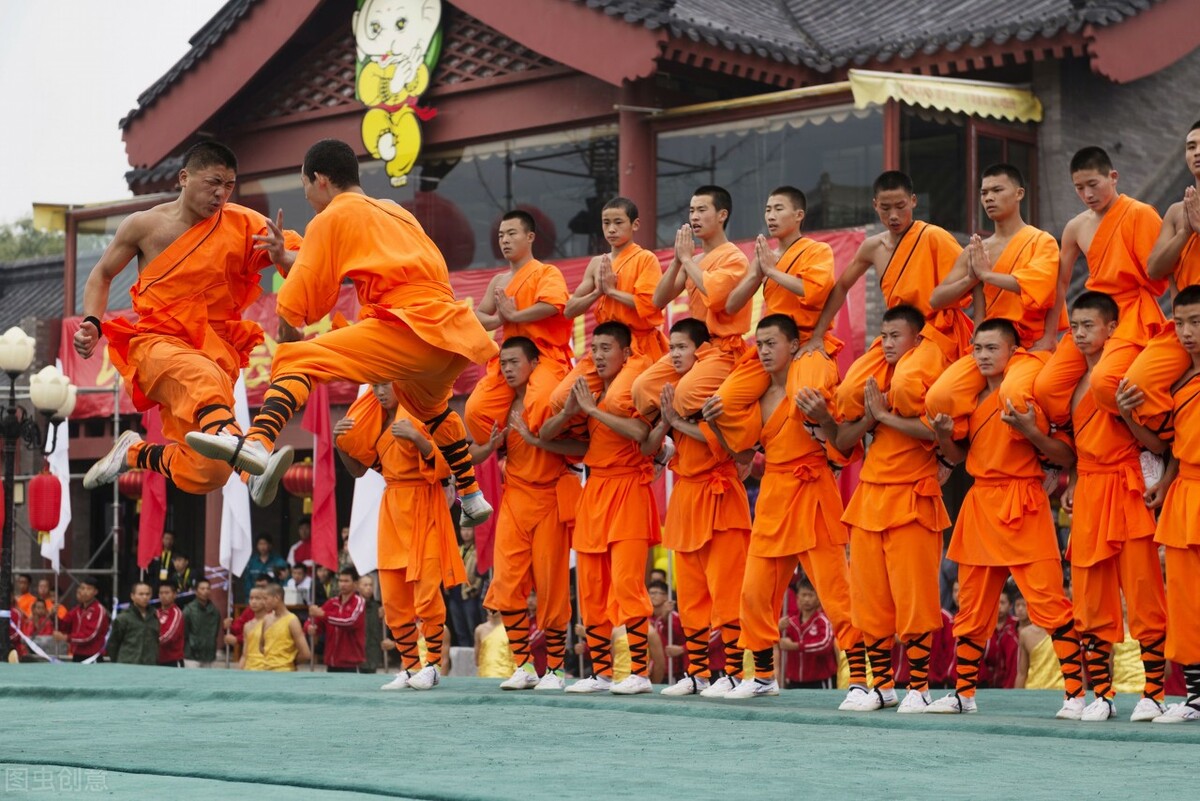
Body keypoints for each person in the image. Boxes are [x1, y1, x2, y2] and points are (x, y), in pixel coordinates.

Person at [186, 138, 497, 525]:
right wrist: (286, 257)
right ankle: (471, 494)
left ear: (319, 179)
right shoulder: (396, 212)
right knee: (431, 409)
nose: (307, 197)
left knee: (294, 357)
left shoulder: (330, 218)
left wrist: (288, 330)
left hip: (409, 326)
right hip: (449, 335)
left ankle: (258, 444)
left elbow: (303, 302)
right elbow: (343, 259)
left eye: (304, 186)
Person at [75, 141, 301, 499]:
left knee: (208, 471)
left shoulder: (243, 224)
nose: (221, 194)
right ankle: (248, 464)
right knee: (199, 374)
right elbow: (101, 274)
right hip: (157, 346)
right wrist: (92, 321)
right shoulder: (143, 226)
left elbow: (302, 262)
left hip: (214, 352)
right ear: (184, 177)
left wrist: (282, 257)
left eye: (229, 185)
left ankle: (132, 452)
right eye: (213, 182)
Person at [924, 318, 1085, 717]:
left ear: (1014, 352)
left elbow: (1066, 456)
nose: (982, 356)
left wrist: (1030, 430)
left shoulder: (1027, 394)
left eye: (991, 349)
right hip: (980, 504)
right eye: (977, 348)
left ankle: (1079, 694)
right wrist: (944, 435)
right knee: (973, 608)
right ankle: (963, 694)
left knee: (1048, 603)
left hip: (1023, 502)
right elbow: (960, 458)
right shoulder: (970, 398)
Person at [705, 314, 868, 702]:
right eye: (758, 344)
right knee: (754, 594)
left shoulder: (810, 386)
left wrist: (823, 416)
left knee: (837, 594)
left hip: (813, 491)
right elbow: (744, 453)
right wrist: (717, 427)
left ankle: (864, 681)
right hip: (774, 496)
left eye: (771, 343)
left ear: (794, 345)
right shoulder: (756, 394)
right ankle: (761, 675)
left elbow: (843, 446)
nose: (762, 351)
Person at [801, 304, 951, 712]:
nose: (887, 344)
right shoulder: (872, 380)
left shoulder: (927, 379)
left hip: (912, 498)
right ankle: (880, 685)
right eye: (883, 336)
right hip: (870, 498)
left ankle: (918, 687)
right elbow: (845, 441)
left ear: (917, 340)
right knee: (870, 602)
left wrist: (885, 414)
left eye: (895, 336)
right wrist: (862, 417)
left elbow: (937, 432)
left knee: (915, 600)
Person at [1040, 292, 1169, 721]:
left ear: (1112, 329)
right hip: (1091, 491)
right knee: (1090, 598)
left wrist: (1130, 416)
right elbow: (1077, 450)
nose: (1079, 334)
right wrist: (1073, 480)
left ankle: (1154, 693)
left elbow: (1155, 444)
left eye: (1088, 326)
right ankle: (1103, 695)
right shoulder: (1074, 382)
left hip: (1127, 486)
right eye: (1074, 327)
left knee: (1143, 591)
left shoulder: (1123, 379)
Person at [540, 322, 659, 695]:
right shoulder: (592, 390)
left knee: (627, 584)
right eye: (595, 348)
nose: (600, 354)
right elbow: (553, 437)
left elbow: (641, 436)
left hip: (628, 490)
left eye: (607, 347)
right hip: (595, 491)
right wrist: (570, 412)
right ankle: (601, 672)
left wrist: (594, 409)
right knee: (590, 587)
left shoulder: (632, 389)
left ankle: (638, 672)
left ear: (626, 353)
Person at [803, 171, 969, 420]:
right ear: (874, 205)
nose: (893, 216)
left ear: (913, 201)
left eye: (901, 206)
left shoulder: (934, 237)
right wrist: (818, 335)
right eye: (885, 208)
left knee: (906, 387)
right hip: (895, 334)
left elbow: (969, 280)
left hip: (934, 332)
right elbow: (841, 286)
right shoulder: (873, 247)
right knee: (849, 393)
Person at [643, 319, 752, 698]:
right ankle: (698, 673)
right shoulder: (676, 392)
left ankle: (736, 673)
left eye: (682, 347)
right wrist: (664, 422)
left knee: (726, 591)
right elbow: (649, 446)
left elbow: (723, 444)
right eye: (670, 347)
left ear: (701, 351)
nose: (674, 354)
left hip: (720, 496)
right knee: (690, 595)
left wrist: (677, 420)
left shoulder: (718, 388)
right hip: (687, 497)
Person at [334, 381, 466, 691]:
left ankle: (432, 665)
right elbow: (359, 470)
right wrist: (340, 443)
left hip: (425, 506)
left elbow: (448, 469)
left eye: (387, 385)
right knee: (393, 600)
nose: (380, 392)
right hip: (393, 509)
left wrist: (420, 439)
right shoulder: (376, 421)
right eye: (376, 385)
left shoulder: (423, 412)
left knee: (427, 595)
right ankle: (410, 666)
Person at [468, 337, 580, 691]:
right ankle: (524, 665)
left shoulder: (548, 404)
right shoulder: (501, 406)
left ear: (535, 363)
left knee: (551, 588)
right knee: (507, 584)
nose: (508, 369)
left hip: (549, 500)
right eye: (504, 363)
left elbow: (584, 448)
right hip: (514, 499)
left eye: (515, 361)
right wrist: (489, 445)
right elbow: (473, 453)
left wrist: (539, 441)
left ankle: (557, 671)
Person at [925, 164, 1064, 433]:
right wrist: (970, 279)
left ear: (1019, 193)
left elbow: (1041, 287)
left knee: (1013, 396)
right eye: (984, 192)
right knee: (938, 398)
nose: (989, 198)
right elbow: (936, 299)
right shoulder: (978, 250)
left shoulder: (1040, 241)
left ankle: (1045, 460)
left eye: (997, 190)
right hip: (986, 346)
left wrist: (986, 275)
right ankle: (959, 447)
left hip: (1027, 346)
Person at [1032, 146, 1166, 424]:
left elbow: (1162, 272)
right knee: (1046, 388)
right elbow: (1060, 281)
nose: (1087, 195)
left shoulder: (1141, 214)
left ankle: (1141, 441)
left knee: (1105, 382)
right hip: (1093, 313)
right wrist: (1048, 335)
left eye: (1093, 185)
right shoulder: (1075, 227)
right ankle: (1071, 437)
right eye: (1079, 188)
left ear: (1113, 177)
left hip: (1131, 311)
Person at [1123, 285, 1200, 723]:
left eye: (1197, 322)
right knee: (1187, 602)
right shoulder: (1177, 382)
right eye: (1181, 323)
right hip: (1187, 491)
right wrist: (1130, 416)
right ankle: (1194, 698)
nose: (1187, 332)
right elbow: (1170, 447)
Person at [716, 186, 840, 447]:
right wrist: (757, 273)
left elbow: (814, 292)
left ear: (798, 215)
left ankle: (828, 447)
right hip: (772, 344)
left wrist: (772, 272)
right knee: (725, 401)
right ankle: (755, 442)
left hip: (806, 341)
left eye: (778, 209)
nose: (770, 216)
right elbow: (732, 305)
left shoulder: (817, 250)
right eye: (768, 210)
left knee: (806, 393)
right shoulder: (766, 258)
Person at [465, 210, 572, 480]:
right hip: (510, 358)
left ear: (530, 236)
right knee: (476, 410)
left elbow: (553, 304)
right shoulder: (498, 281)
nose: (505, 240)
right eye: (501, 235)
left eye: (512, 233)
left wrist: (515, 316)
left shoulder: (546, 272)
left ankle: (566, 457)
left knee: (543, 404)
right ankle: (503, 443)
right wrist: (500, 318)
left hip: (542, 354)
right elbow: (478, 317)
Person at [632, 185, 750, 421]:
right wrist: (677, 261)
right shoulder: (692, 260)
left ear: (722, 215)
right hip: (692, 347)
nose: (694, 217)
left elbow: (715, 297)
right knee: (642, 389)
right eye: (692, 211)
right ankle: (670, 436)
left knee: (685, 395)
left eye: (702, 210)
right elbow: (658, 300)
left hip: (722, 349)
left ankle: (705, 431)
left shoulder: (734, 258)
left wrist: (687, 260)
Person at [552, 197, 666, 414]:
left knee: (617, 402)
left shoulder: (645, 259)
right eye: (606, 223)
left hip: (637, 346)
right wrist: (598, 292)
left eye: (618, 222)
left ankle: (654, 443)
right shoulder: (597, 264)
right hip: (604, 346)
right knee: (560, 400)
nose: (611, 229)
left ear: (635, 225)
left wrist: (612, 291)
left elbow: (650, 304)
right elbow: (569, 309)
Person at [1125, 121, 1200, 431]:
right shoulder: (1175, 212)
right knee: (1134, 386)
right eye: (1191, 147)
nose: (1197, 153)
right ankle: (1170, 448)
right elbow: (1154, 269)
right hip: (1184, 324)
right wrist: (1185, 231)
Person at [779, 578, 839, 689]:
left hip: (820, 681)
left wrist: (796, 646)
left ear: (818, 598)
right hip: (793, 681)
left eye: (811, 595)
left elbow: (825, 644)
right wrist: (777, 629)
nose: (806, 599)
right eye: (803, 595)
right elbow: (773, 641)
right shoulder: (789, 623)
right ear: (797, 597)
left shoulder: (824, 621)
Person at [308, 568, 367, 673]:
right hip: (331, 661)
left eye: (346, 581)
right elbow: (316, 620)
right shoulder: (332, 602)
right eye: (340, 581)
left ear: (355, 583)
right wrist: (310, 627)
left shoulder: (359, 601)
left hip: (351, 663)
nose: (342, 584)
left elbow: (349, 621)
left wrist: (324, 615)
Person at [242, 584, 310, 671]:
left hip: (286, 671)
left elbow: (306, 653)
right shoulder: (267, 619)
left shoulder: (292, 620)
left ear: (277, 598)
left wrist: (289, 662)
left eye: (266, 599)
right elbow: (262, 647)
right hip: (266, 670)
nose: (263, 602)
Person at [54, 577, 109, 662]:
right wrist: (53, 616)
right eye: (82, 588)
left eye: (89, 589)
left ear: (95, 592)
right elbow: (64, 626)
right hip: (77, 654)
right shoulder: (76, 610)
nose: (85, 592)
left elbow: (90, 635)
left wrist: (66, 638)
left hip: (92, 656)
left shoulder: (98, 610)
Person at [108, 583, 160, 666]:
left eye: (147, 594)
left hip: (150, 665)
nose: (145, 597)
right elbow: (113, 644)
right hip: (128, 664)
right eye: (141, 594)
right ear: (132, 596)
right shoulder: (123, 618)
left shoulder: (155, 617)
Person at [979, 591, 1019, 689]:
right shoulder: (984, 625)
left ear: (1010, 605)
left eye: (1002, 603)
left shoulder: (1017, 625)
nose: (999, 606)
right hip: (986, 682)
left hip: (1010, 680)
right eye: (996, 602)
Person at [183, 578, 221, 668]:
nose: (205, 591)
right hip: (191, 656)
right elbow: (184, 633)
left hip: (208, 655)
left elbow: (215, 633)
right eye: (202, 589)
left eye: (208, 588)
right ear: (196, 591)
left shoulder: (215, 611)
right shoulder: (189, 610)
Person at [358, 575, 385, 673]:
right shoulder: (354, 605)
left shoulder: (377, 607)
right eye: (365, 585)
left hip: (372, 651)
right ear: (358, 586)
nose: (368, 588)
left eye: (370, 585)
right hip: (357, 650)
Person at [156, 584, 185, 667]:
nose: (163, 596)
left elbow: (168, 636)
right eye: (161, 593)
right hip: (157, 660)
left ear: (174, 595)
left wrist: (150, 643)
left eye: (167, 593)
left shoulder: (176, 613)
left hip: (172, 661)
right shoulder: (156, 612)